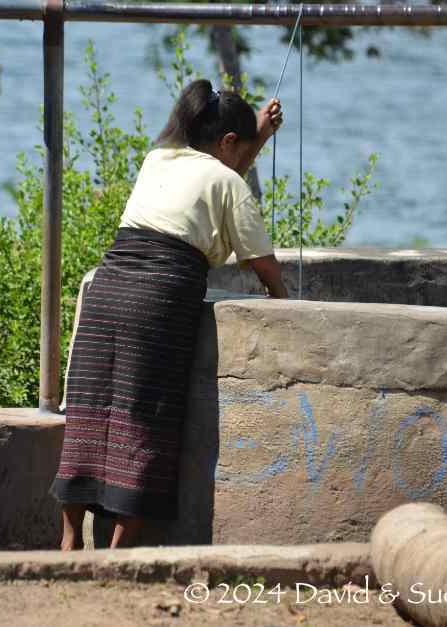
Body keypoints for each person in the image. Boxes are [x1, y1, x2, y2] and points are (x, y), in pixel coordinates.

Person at [49, 79, 289, 550]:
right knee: (147, 419)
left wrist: (256, 138)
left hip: (109, 284)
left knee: (90, 411)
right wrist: (285, 299)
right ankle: (118, 553)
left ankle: (69, 542)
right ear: (226, 142)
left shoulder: (157, 159)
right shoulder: (228, 180)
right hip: (160, 296)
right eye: (241, 148)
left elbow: (217, 174)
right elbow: (261, 261)